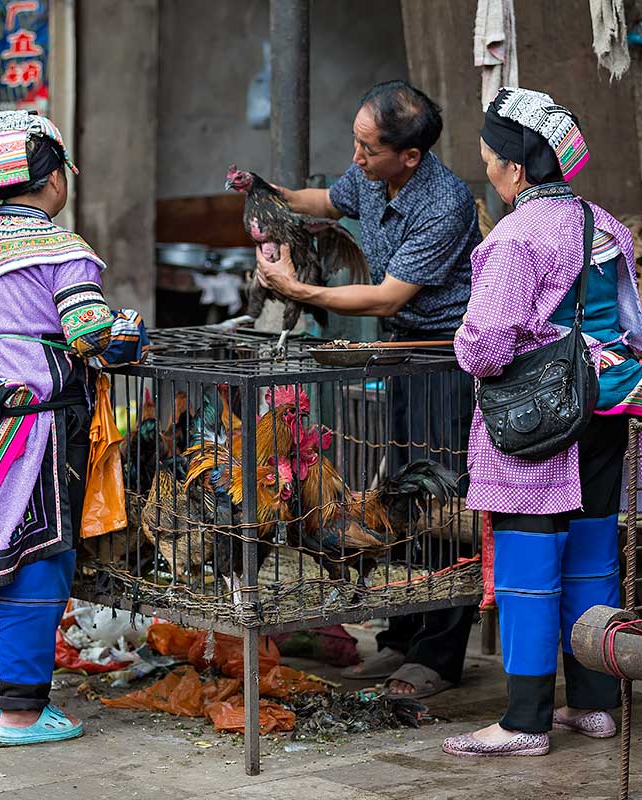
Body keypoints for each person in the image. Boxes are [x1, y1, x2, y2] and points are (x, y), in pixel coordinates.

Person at [443, 87, 642, 757]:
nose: (485, 166)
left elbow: (484, 344)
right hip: (605, 407)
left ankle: (523, 723)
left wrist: (466, 342)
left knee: (529, 562)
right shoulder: (604, 223)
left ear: (515, 168)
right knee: (594, 557)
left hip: (539, 422)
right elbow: (629, 326)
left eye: (487, 156)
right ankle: (595, 706)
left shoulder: (516, 236)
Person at [0, 110, 148, 746]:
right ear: (50, 181)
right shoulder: (64, 251)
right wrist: (127, 333)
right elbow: (89, 336)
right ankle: (20, 713)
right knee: (35, 560)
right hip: (35, 428)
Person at [253, 80, 481, 699]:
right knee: (400, 495)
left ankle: (438, 654)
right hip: (404, 354)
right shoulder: (374, 176)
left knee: (442, 501)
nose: (355, 157)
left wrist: (298, 291)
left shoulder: (445, 203)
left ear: (408, 155)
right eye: (354, 142)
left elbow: (386, 297)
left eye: (367, 148)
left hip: (445, 361)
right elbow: (325, 200)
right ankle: (403, 638)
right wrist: (269, 196)